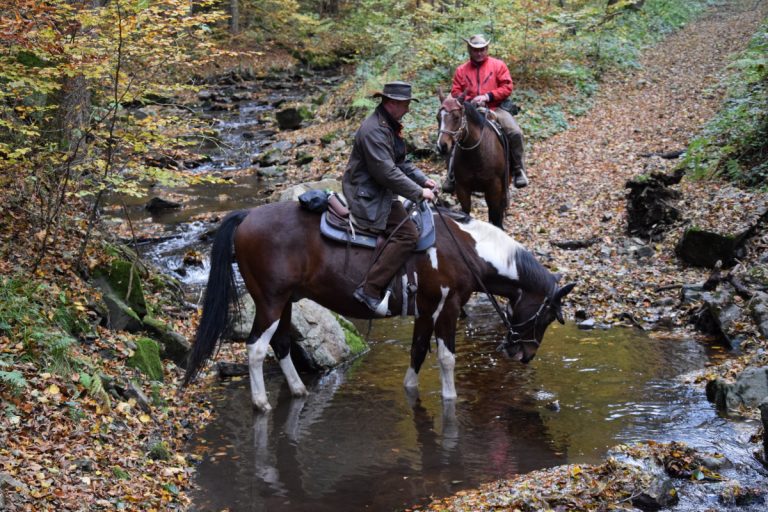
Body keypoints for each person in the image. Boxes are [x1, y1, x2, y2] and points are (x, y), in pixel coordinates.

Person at [342, 81, 437, 316]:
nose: (407, 108)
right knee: (408, 234)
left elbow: (401, 163)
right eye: (405, 104)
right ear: (392, 103)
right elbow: (386, 172)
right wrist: (418, 192)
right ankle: (370, 290)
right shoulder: (374, 130)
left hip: (380, 190)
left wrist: (422, 180)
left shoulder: (388, 125)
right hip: (368, 195)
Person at [442, 34, 528, 192]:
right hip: (469, 109)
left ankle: (518, 169)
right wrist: (471, 99)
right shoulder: (461, 70)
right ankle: (451, 175)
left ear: (487, 49)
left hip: (495, 107)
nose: (479, 53)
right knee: (451, 133)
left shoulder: (498, 65)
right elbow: (455, 91)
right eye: (475, 50)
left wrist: (488, 96)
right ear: (469, 50)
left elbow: (507, 86)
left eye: (482, 49)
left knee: (514, 132)